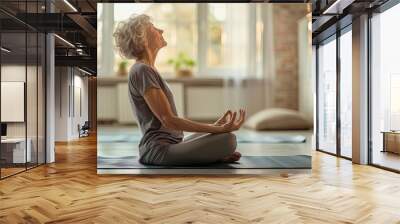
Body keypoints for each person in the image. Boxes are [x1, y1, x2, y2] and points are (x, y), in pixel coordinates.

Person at [113, 14, 246, 166]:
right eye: (154, 28)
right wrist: (218, 129)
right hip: (158, 150)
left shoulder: (148, 69)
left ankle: (209, 155)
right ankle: (210, 155)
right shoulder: (142, 70)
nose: (161, 30)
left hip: (173, 145)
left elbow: (169, 124)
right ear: (142, 38)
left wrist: (215, 126)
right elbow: (168, 120)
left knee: (223, 136)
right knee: (228, 140)